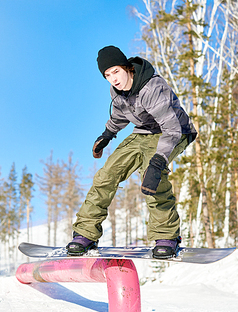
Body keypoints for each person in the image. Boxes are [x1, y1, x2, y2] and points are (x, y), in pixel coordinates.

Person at [66, 45, 197, 259]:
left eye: (116, 71)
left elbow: (171, 129)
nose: (113, 79)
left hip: (175, 132)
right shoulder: (117, 91)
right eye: (107, 75)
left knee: (153, 176)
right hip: (143, 133)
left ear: (127, 68)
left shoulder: (152, 87)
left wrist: (158, 161)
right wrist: (107, 134)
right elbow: (120, 116)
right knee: (105, 176)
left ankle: (167, 236)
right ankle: (85, 233)